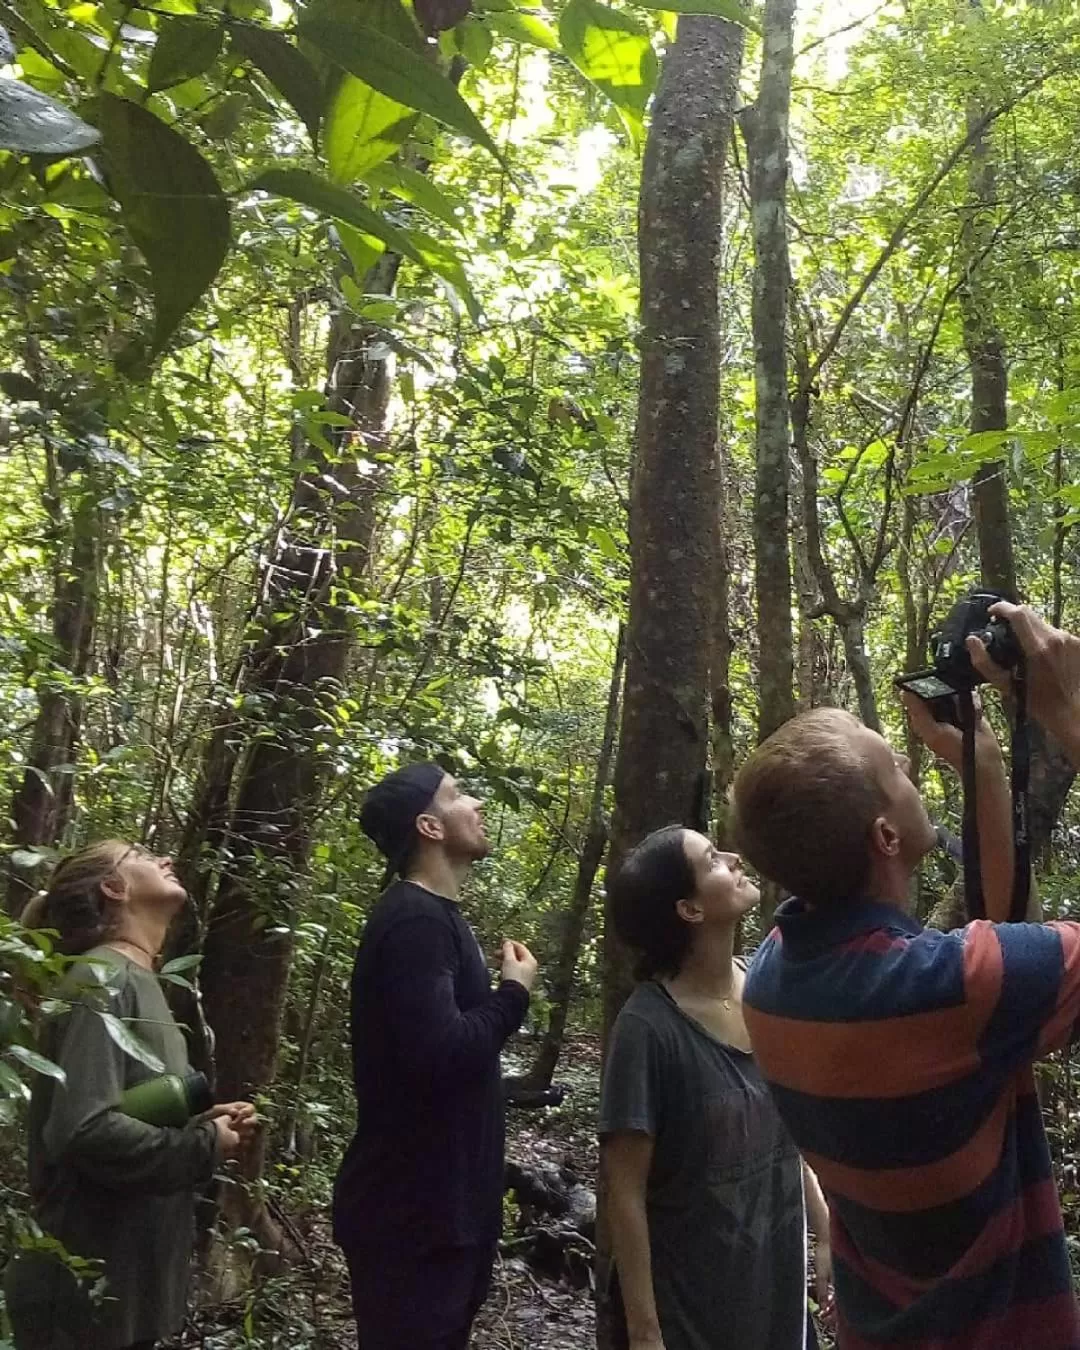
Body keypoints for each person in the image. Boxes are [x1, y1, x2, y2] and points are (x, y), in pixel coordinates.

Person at [732, 600, 1080, 1349]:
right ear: (885, 835)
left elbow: (991, 943)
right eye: (894, 766)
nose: (909, 768)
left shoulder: (771, 978)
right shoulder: (950, 988)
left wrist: (983, 763)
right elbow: (985, 969)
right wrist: (1071, 716)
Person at [4, 840, 257, 1350]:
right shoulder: (102, 977)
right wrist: (203, 1146)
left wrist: (204, 1121)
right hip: (84, 1297)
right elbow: (84, 1130)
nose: (164, 856)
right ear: (114, 889)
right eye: (140, 853)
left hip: (126, 1294)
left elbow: (123, 1108)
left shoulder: (139, 983)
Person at [599, 824, 833, 1350]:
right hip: (691, 1310)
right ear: (690, 910)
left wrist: (825, 1226)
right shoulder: (646, 1030)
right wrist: (644, 1332)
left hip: (777, 1294)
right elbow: (626, 1190)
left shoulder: (766, 987)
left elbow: (786, 1134)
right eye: (712, 860)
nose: (733, 857)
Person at [332, 762, 538, 1350]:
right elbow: (443, 1051)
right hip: (410, 1217)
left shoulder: (436, 917)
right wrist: (515, 993)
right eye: (456, 795)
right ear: (429, 826)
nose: (474, 803)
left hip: (443, 1211)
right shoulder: (414, 920)